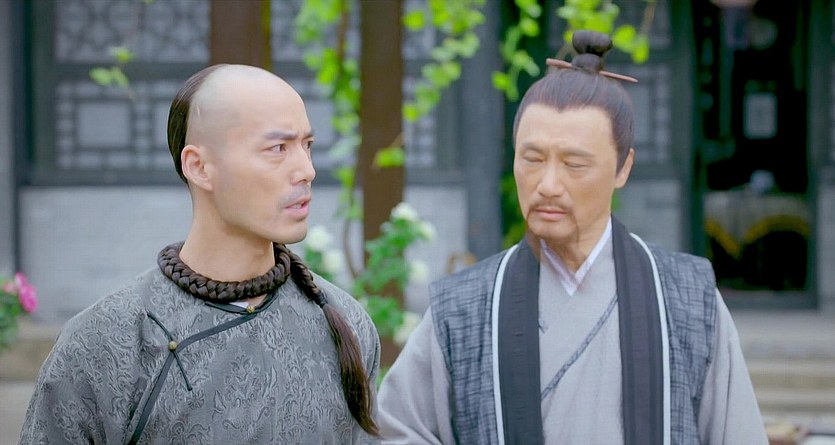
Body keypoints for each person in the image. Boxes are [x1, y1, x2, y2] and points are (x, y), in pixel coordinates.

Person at [377, 31, 768, 445]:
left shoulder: (687, 297)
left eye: (574, 164)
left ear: (623, 168)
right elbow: (399, 432)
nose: (547, 185)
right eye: (532, 159)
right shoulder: (462, 307)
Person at [19, 64, 381, 444]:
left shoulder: (344, 323)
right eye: (278, 149)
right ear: (200, 167)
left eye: (307, 145)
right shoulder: (105, 341)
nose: (306, 170)